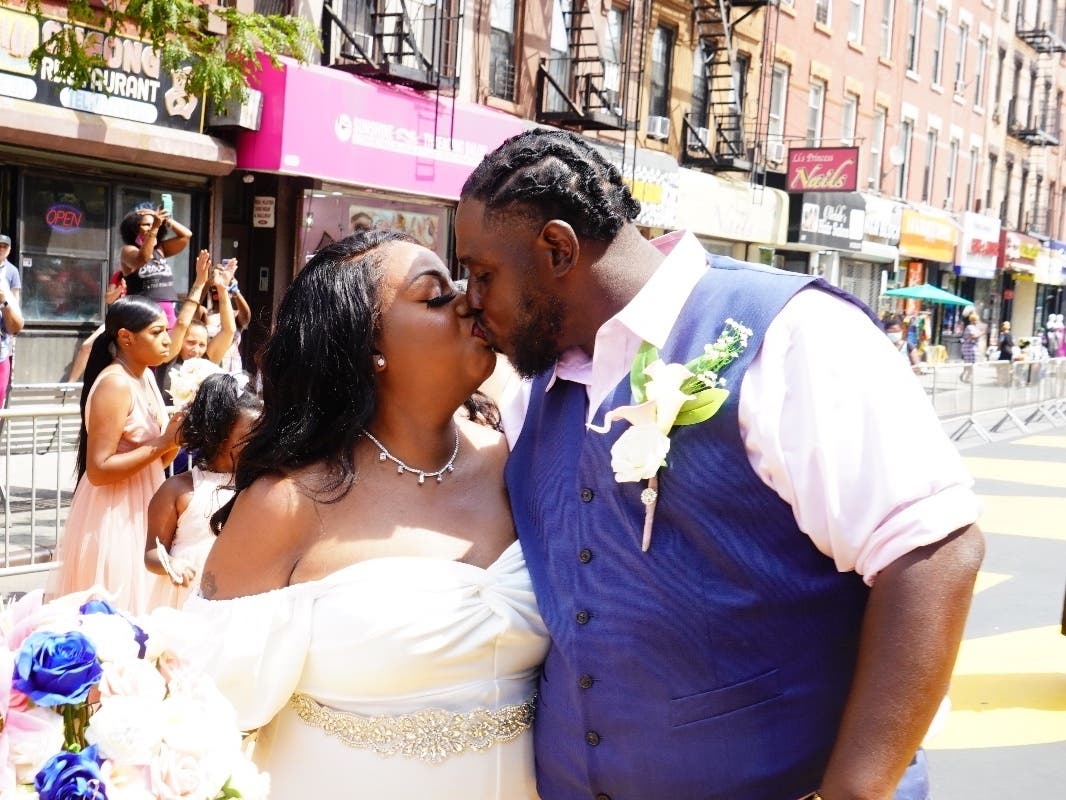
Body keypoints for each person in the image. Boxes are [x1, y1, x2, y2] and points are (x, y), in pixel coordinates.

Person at [454, 128, 985, 800]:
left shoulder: (795, 335)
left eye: (483, 274)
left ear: (557, 249)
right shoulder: (531, 391)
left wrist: (854, 791)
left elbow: (933, 553)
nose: (470, 299)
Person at [187, 231, 548, 799]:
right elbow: (203, 714)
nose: (468, 301)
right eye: (434, 295)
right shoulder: (289, 503)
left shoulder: (519, 460)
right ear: (366, 347)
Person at [47, 296, 184, 614]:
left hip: (145, 504)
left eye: (166, 331)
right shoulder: (115, 384)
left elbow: (156, 461)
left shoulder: (145, 376)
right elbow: (98, 470)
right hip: (114, 514)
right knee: (116, 609)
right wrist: (164, 442)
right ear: (126, 337)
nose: (167, 340)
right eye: (157, 332)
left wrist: (176, 439)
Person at [145, 372, 261, 607]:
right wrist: (170, 564)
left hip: (236, 596)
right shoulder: (178, 490)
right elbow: (152, 552)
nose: (256, 444)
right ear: (219, 434)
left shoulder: (257, 486)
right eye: (248, 438)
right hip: (185, 596)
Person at [119, 206, 192, 328]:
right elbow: (142, 259)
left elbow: (186, 235)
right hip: (143, 310)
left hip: (169, 310)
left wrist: (165, 219)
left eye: (154, 224)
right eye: (146, 224)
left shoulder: (160, 249)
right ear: (134, 228)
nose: (151, 227)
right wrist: (155, 227)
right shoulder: (128, 250)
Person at [0, 234, 24, 409]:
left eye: (4, 246)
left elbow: (15, 301)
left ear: (9, 250)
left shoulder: (12, 271)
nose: (1, 249)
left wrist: (6, 304)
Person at [960, 310, 981, 383]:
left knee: (972, 363)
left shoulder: (975, 327)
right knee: (970, 363)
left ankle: (967, 376)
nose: (977, 321)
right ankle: (966, 376)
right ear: (973, 320)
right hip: (969, 348)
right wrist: (981, 333)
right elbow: (973, 336)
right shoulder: (970, 327)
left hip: (974, 347)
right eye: (976, 320)